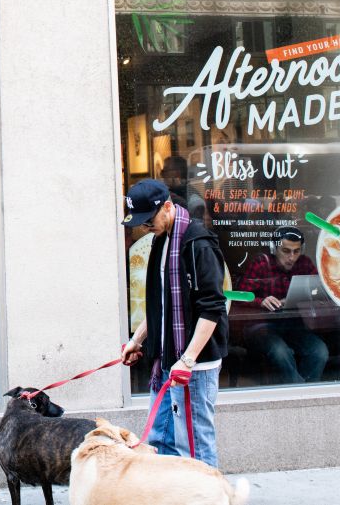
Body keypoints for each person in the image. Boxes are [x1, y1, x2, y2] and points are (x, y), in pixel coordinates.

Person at [120, 179, 228, 468]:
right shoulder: (161, 240)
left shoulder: (197, 242)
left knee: (196, 447)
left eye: (149, 219)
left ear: (167, 206)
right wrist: (137, 340)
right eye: (140, 223)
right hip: (168, 358)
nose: (146, 227)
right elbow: (161, 306)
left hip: (194, 364)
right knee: (160, 441)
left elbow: (213, 307)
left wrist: (189, 359)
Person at [235, 225, 328, 384]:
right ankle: (299, 392)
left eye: (296, 251)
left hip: (292, 325)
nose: (292, 257)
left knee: (320, 351)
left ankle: (303, 391)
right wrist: (261, 301)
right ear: (274, 248)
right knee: (280, 352)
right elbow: (239, 296)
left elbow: (320, 290)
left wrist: (302, 298)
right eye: (286, 251)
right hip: (261, 327)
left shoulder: (304, 263)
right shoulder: (261, 263)